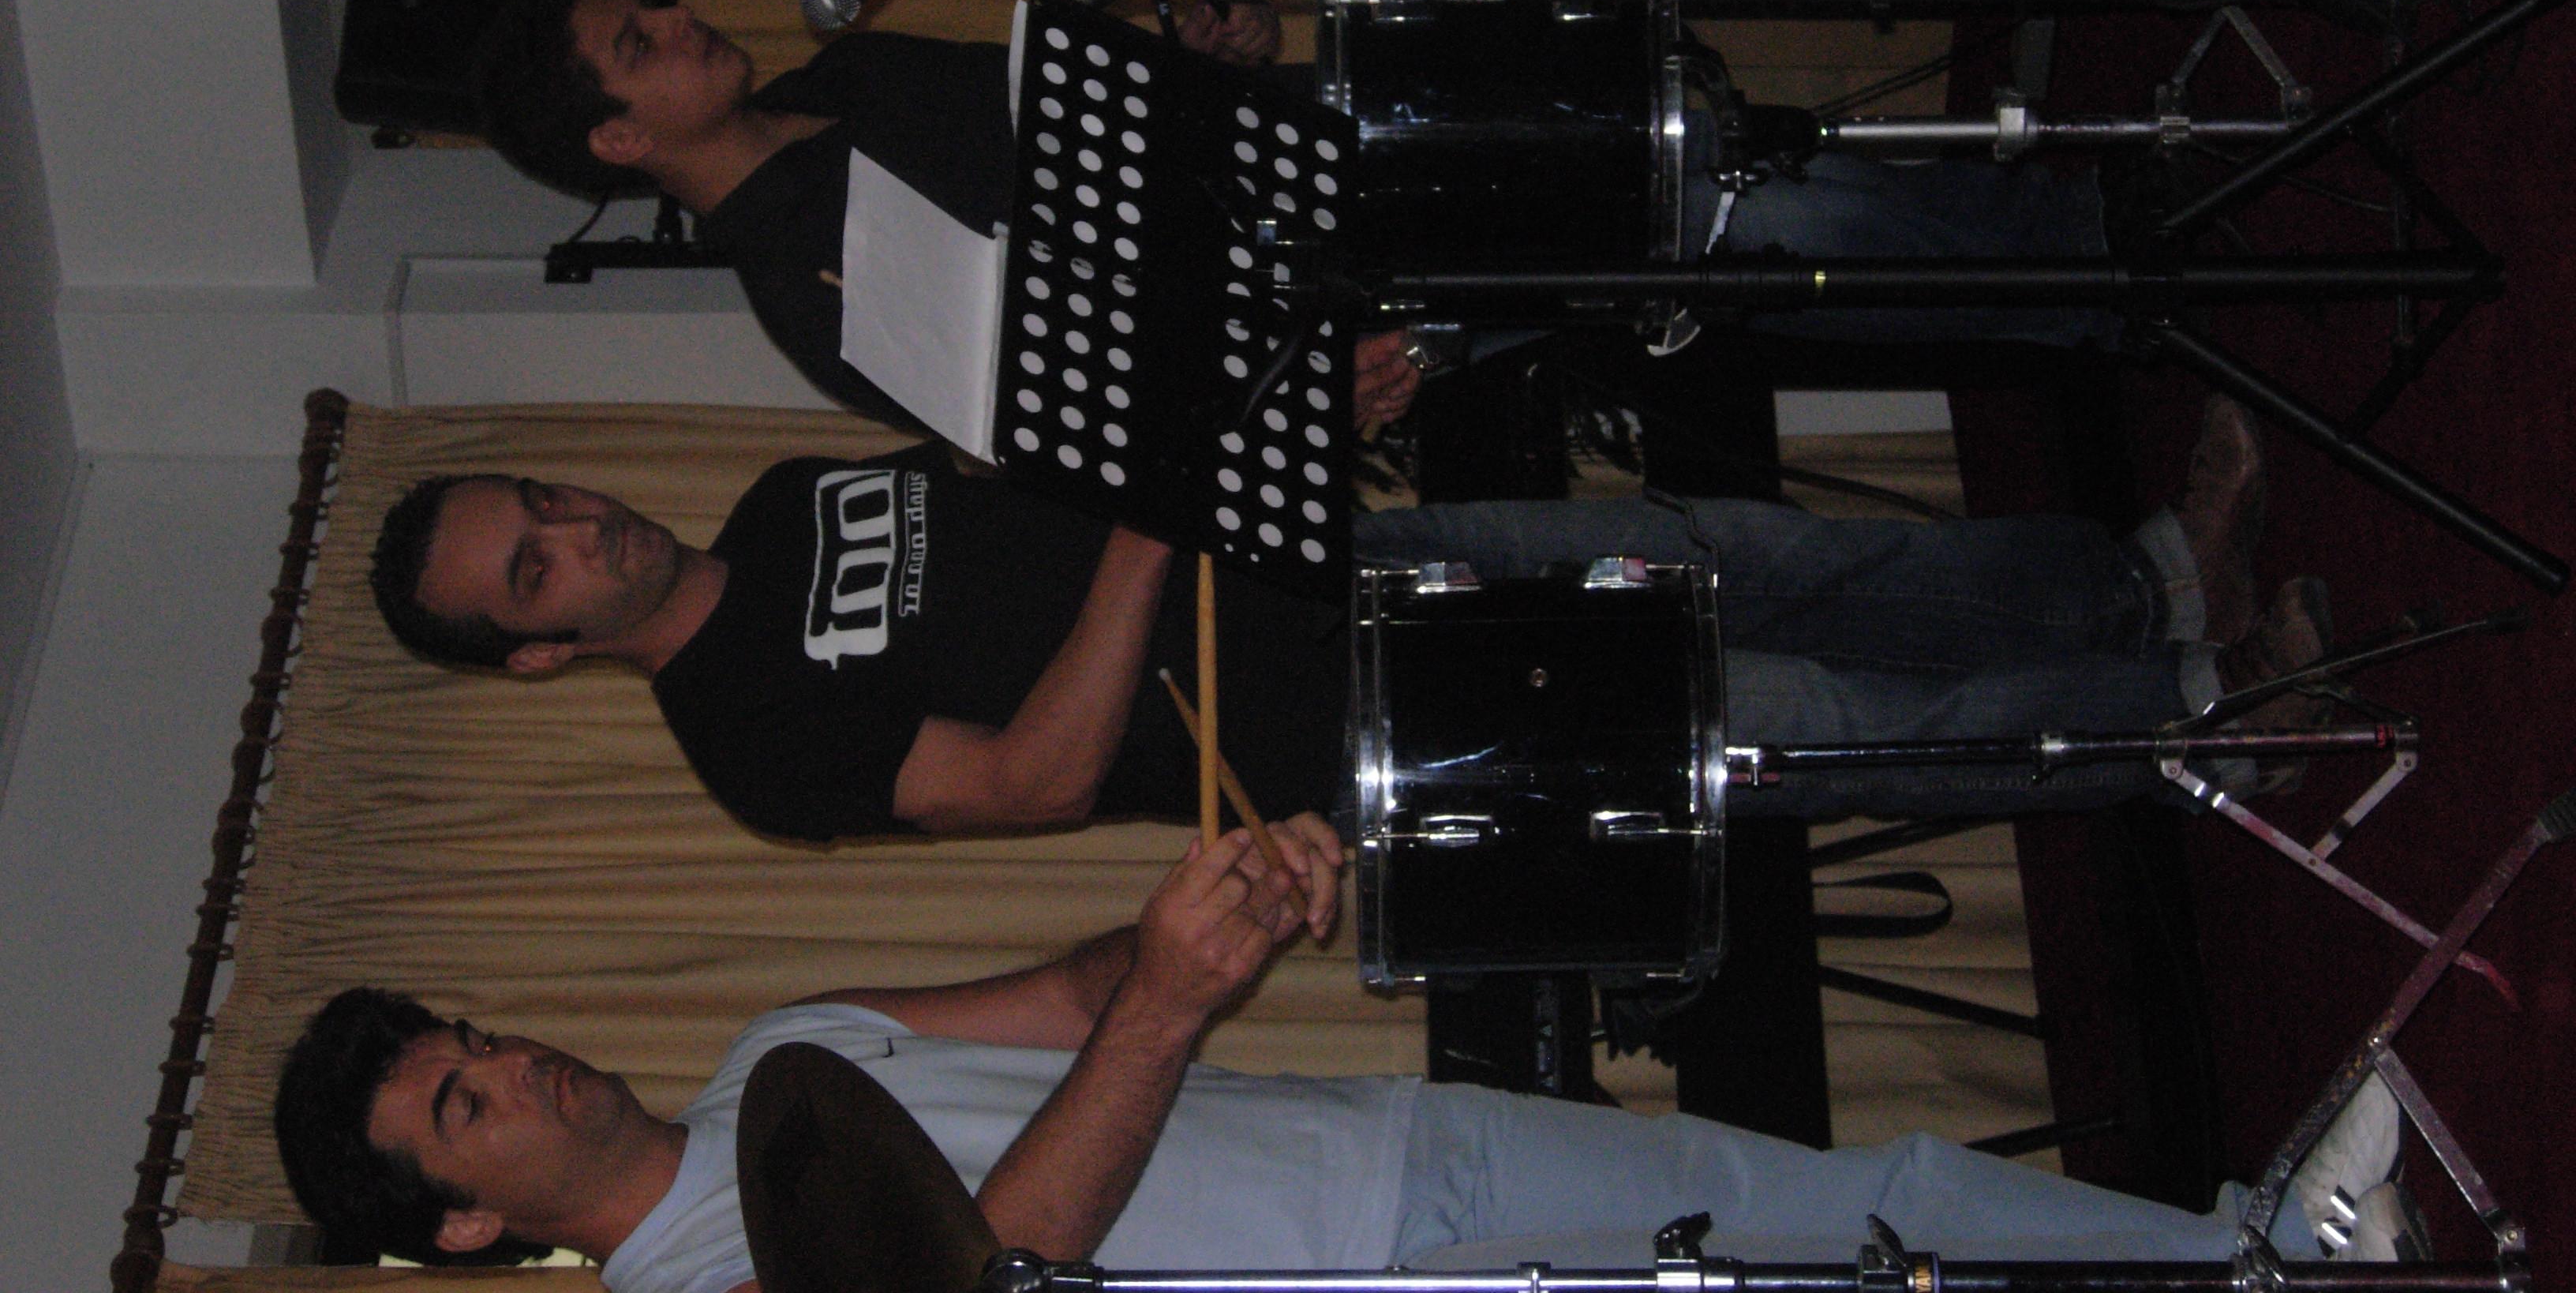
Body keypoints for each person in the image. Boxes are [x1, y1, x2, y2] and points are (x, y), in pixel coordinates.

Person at [271, 834, 2417, 1284]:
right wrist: (1167, 1003)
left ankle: (2255, 1250)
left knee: (1870, 1196)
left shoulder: (776, 1058)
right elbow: (1007, 1260)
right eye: (467, 1103)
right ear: (461, 1229)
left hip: (1383, 1141)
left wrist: (1219, 905)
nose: (517, 1066)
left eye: (478, 1037)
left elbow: (1061, 999)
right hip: (1370, 1277)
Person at [364, 400, 2313, 840]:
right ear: (536, 653)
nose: (576, 529)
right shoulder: (742, 745)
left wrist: (1221, 418)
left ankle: (2149, 584)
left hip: (1335, 555)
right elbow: (1034, 782)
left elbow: (1041, 473)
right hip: (1359, 729)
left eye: (543, 499)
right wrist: (1149, 540)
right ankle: (2205, 731)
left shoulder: (782, 501)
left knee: (1753, 554)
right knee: (1792, 713)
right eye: (533, 569)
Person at [473, 0, 2119, 440]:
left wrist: (1203, 53)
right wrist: (1304, 394)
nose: (680, 21)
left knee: (1699, 147)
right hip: (1334, 280)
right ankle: (2100, 287)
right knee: (1725, 230)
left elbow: (1083, 108)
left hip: (1317, 135)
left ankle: (2081, 247)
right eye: (640, 43)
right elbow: (1066, 418)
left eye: (653, 5)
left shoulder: (846, 74)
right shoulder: (808, 283)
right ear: (616, 141)